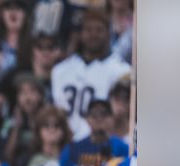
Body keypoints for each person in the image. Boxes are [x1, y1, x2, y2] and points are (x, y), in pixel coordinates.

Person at [49, 10, 131, 140]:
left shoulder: (123, 72)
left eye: (99, 30)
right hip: (65, 142)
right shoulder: (61, 70)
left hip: (103, 142)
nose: (93, 35)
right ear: (81, 34)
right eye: (88, 30)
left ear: (108, 34)